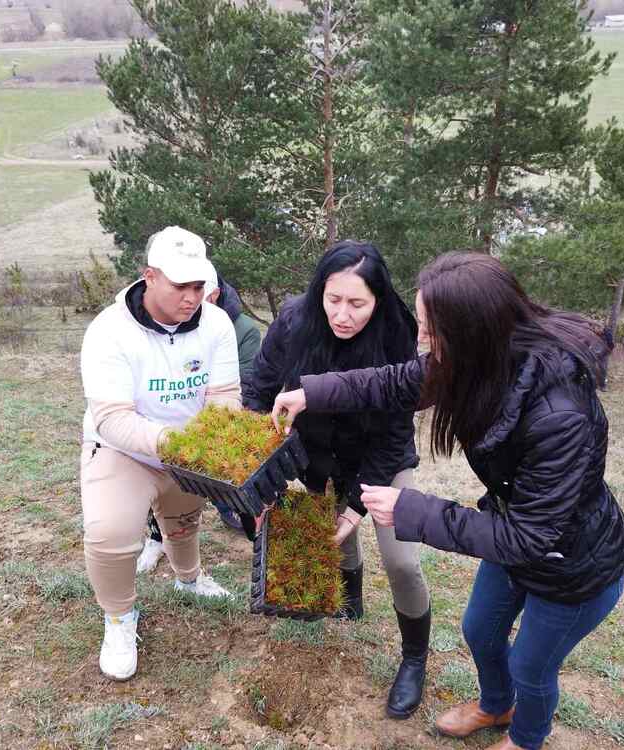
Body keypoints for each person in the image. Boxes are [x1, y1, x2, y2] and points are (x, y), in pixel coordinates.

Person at [271, 252, 624, 750]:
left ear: (472, 329)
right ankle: (495, 704)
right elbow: (395, 381)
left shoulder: (558, 415)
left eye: (430, 329)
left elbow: (531, 535)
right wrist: (311, 393)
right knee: (479, 629)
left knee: (531, 663)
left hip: (572, 565)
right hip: (515, 538)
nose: (421, 339)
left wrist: (410, 509)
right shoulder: (477, 360)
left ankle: (527, 737)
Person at [244, 240, 432, 720]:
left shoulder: (397, 334)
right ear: (318, 292)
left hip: (381, 460)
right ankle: (350, 597)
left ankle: (413, 660)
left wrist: (356, 507)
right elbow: (260, 390)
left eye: (357, 303)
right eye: (334, 299)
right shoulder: (293, 321)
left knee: (402, 561)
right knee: (338, 538)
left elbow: (394, 432)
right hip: (318, 456)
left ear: (379, 299)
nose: (343, 315)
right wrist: (258, 472)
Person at [79, 225, 240, 682]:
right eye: (181, 285)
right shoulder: (109, 331)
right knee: (110, 532)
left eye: (199, 285)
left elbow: (224, 394)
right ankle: (118, 618)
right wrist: (173, 444)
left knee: (184, 521)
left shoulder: (217, 324)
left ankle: (189, 578)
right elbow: (112, 417)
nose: (193, 296)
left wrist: (212, 443)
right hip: (121, 449)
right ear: (149, 276)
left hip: (188, 449)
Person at [136, 267, 262, 573]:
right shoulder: (160, 326)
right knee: (161, 476)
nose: (187, 305)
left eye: (198, 296)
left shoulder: (241, 329)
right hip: (169, 420)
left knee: (221, 473)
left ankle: (232, 509)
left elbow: (243, 382)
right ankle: (156, 538)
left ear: (214, 296)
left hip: (218, 419)